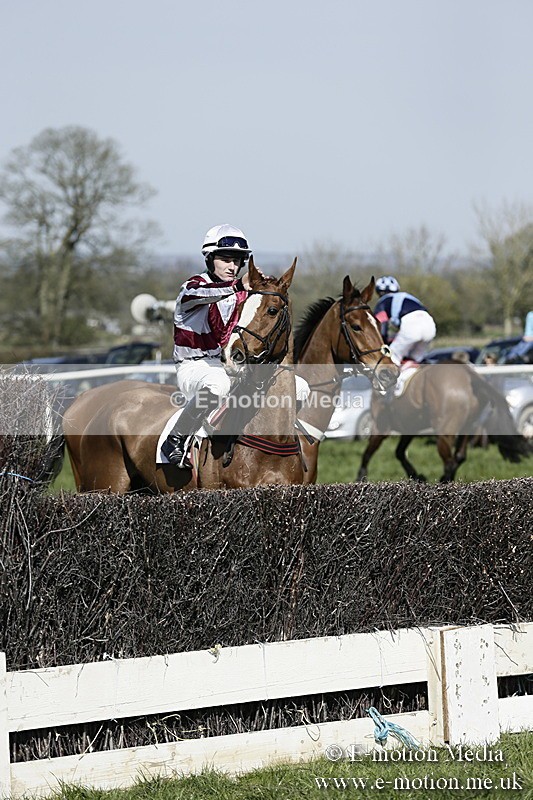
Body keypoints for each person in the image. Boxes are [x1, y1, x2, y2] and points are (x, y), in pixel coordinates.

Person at [161, 224, 251, 468]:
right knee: (218, 384)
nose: (233, 267)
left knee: (297, 386)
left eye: (238, 261)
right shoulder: (192, 287)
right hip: (194, 366)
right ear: (210, 259)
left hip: (224, 364)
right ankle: (175, 440)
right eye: (226, 260)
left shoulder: (237, 292)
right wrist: (240, 285)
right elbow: (213, 293)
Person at [373, 276, 437, 366]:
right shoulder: (409, 297)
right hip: (430, 326)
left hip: (411, 327)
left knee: (391, 359)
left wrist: (383, 344)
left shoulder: (382, 302)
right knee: (414, 360)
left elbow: (382, 329)